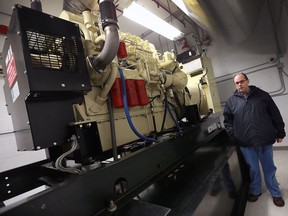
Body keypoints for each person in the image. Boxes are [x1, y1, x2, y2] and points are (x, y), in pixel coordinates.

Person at [223, 72, 286, 207]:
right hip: (245, 142)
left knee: (269, 168)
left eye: (242, 81)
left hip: (264, 140)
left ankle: (275, 193)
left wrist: (280, 132)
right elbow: (227, 121)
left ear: (247, 81)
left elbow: (275, 114)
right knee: (253, 169)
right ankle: (256, 191)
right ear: (235, 85)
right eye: (237, 83)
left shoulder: (263, 96)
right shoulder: (231, 102)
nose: (240, 84)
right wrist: (234, 135)